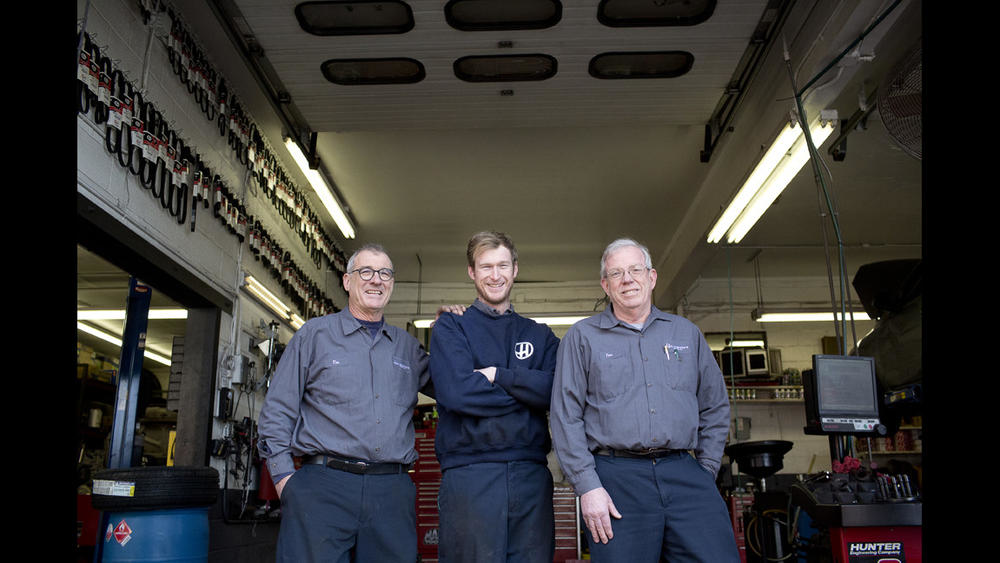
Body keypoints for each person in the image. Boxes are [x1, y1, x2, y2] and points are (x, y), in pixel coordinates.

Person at [258, 243, 459, 563]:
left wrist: (451, 335)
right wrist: (285, 482)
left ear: (392, 284)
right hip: (323, 487)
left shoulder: (407, 348)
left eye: (384, 274)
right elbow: (277, 411)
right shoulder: (314, 336)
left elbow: (455, 391)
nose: (375, 280)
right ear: (347, 281)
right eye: (365, 272)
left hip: (391, 491)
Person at [549, 238, 739, 562]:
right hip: (616, 479)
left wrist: (704, 469)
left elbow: (715, 405)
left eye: (636, 269)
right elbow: (564, 417)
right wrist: (588, 486)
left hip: (685, 472)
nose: (627, 279)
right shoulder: (582, 338)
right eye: (617, 273)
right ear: (605, 285)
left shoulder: (685, 334)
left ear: (651, 278)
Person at [429, 231, 561, 563]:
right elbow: (457, 394)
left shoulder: (540, 335)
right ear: (472, 272)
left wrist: (498, 377)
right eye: (486, 267)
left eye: (502, 265)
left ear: (515, 269)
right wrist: (526, 390)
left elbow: (555, 391)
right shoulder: (451, 328)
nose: (495, 275)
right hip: (470, 474)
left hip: (530, 476)